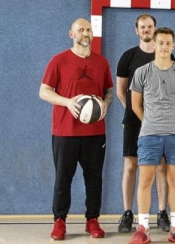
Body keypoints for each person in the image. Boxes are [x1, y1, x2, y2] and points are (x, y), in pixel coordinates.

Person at [39, 18, 113, 241]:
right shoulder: (59, 60)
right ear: (71, 34)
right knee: (63, 178)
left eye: (88, 29)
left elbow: (108, 91)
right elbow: (44, 91)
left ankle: (92, 220)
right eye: (80, 30)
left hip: (95, 133)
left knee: (94, 179)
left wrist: (105, 104)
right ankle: (60, 221)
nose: (85, 33)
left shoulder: (102, 62)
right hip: (65, 131)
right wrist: (68, 102)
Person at [128, 27, 175, 244]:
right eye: (161, 42)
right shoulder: (142, 72)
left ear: (173, 46)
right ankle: (143, 228)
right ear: (154, 45)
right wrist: (150, 121)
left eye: (168, 43)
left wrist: (174, 118)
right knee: (145, 180)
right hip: (148, 135)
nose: (164, 46)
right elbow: (135, 104)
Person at [116, 13, 175, 233]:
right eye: (143, 27)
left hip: (160, 121)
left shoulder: (168, 57)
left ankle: (161, 213)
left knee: (160, 166)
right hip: (134, 121)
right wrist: (136, 112)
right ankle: (127, 213)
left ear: (155, 28)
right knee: (131, 165)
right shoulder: (128, 57)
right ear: (137, 30)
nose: (147, 30)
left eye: (150, 26)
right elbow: (122, 91)